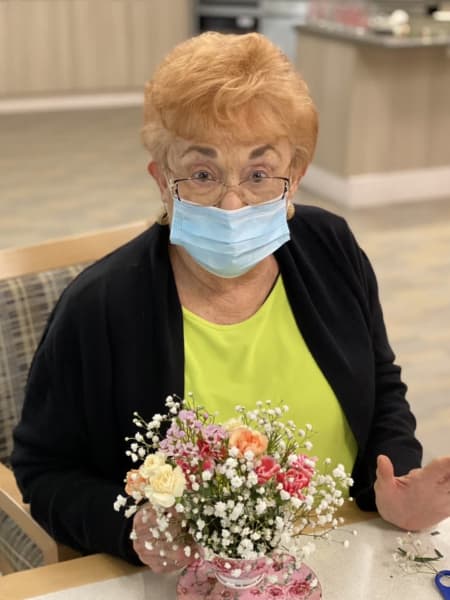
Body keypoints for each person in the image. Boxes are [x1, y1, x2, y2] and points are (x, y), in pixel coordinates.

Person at [11, 32, 450, 573]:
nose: (233, 202)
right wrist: (132, 529)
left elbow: (382, 388)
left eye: (260, 173)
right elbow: (43, 469)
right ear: (161, 180)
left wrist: (395, 481)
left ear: (298, 177)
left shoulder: (331, 249)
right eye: (202, 174)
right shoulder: (100, 306)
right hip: (188, 577)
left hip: (342, 550)